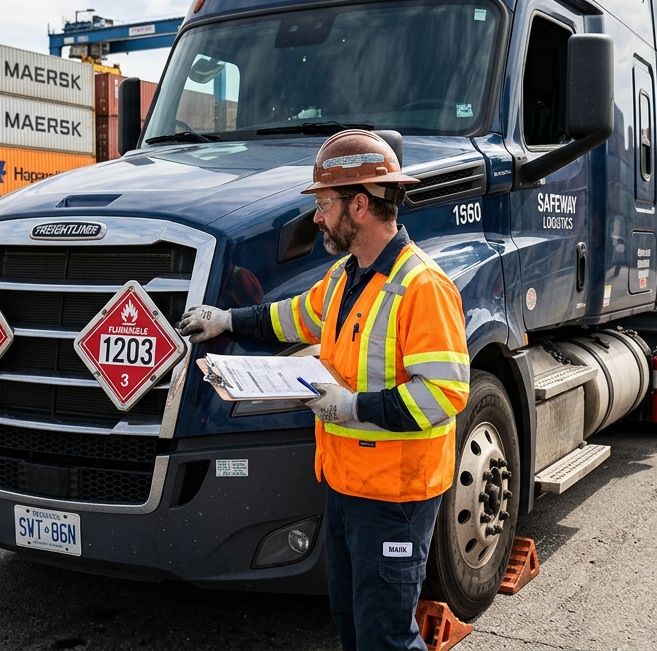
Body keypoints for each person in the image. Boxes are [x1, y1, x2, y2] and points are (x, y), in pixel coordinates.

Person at [179, 130, 470, 650]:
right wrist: (228, 319)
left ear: (359, 205)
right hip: (345, 485)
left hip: (395, 497)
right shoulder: (344, 277)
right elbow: (290, 317)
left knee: (386, 636)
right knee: (353, 625)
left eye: (324, 203)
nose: (316, 217)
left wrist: (352, 406)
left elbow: (444, 394)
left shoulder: (423, 286)